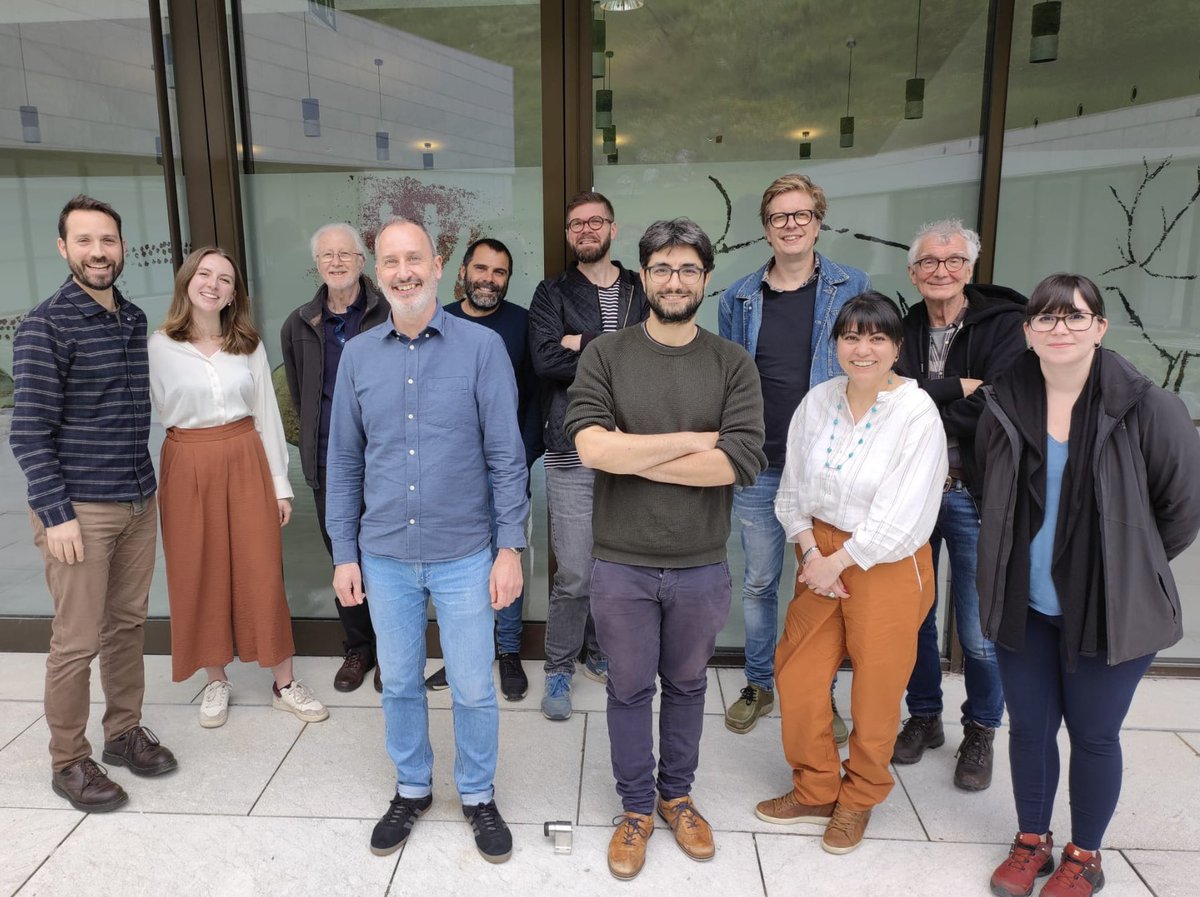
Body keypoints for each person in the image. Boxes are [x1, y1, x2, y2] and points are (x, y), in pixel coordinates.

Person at [977, 274, 1200, 897]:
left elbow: (1181, 509)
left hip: (1108, 610)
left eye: (1075, 318)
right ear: (1028, 332)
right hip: (1026, 604)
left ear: (1100, 328)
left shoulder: (1147, 406)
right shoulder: (1005, 399)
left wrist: (1129, 565)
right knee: (1028, 727)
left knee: (1095, 734)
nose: (1060, 329)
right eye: (1046, 319)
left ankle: (1085, 854)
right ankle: (1032, 840)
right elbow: (993, 491)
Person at [566, 218, 767, 880]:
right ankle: (635, 810)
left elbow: (736, 463)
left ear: (705, 279)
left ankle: (676, 795)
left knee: (685, 685)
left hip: (701, 564)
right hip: (620, 560)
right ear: (642, 276)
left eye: (687, 269)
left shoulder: (731, 362)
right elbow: (591, 446)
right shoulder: (606, 354)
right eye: (662, 268)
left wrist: (635, 451)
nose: (674, 280)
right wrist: (693, 440)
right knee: (628, 688)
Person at [327, 217, 528, 864]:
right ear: (374, 270)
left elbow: (506, 454)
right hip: (383, 555)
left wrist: (509, 547)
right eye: (391, 261)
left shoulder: (480, 348)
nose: (404, 271)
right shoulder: (357, 354)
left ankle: (476, 792)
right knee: (403, 682)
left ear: (438, 265)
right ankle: (412, 785)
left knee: (472, 684)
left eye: (414, 258)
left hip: (465, 551)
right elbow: (344, 462)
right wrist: (343, 553)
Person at [755, 292, 947, 855]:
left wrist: (840, 561)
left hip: (887, 562)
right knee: (796, 673)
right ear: (836, 342)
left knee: (876, 690)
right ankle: (815, 787)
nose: (862, 349)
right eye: (851, 337)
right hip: (818, 550)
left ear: (896, 347)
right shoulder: (818, 401)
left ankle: (859, 797)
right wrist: (812, 552)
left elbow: (905, 509)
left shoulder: (916, 413)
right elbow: (792, 486)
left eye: (877, 338)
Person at [11, 194, 177, 812]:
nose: (98, 252)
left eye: (107, 240)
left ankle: (123, 733)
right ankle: (68, 760)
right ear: (64, 249)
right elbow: (28, 430)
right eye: (84, 241)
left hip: (138, 498)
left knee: (126, 625)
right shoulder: (46, 324)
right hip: (80, 508)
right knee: (76, 640)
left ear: (123, 246)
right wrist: (56, 513)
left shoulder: (132, 318)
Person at [149, 247, 329, 729]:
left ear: (234, 292)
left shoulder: (247, 344)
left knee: (261, 569)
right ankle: (215, 679)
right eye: (204, 274)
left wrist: (278, 485)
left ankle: (284, 682)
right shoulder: (159, 345)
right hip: (186, 461)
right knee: (198, 569)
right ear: (187, 281)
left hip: (244, 454)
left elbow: (267, 416)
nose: (213, 284)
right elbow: (158, 408)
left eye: (225, 279)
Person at [719, 173, 870, 737]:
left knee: (820, 583)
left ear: (818, 221)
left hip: (825, 464)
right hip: (760, 461)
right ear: (766, 228)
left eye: (801, 215)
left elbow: (866, 362)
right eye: (780, 216)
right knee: (760, 581)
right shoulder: (738, 296)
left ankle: (816, 690)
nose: (790, 225)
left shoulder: (852, 284)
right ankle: (759, 682)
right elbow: (730, 377)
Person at [892, 218, 1026, 791]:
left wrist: (923, 398)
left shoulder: (1005, 326)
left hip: (974, 493)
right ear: (913, 272)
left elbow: (1003, 405)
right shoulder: (905, 325)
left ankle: (980, 728)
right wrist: (956, 388)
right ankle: (924, 717)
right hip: (912, 494)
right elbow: (887, 400)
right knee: (916, 616)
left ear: (970, 269)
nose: (939, 272)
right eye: (927, 263)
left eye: (951, 262)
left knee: (977, 629)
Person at [528, 190, 648, 720]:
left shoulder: (641, 288)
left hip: (630, 448)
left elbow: (655, 353)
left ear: (613, 228)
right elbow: (546, 360)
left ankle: (599, 651)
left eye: (595, 221)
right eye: (576, 223)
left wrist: (585, 342)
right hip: (570, 445)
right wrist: (613, 345)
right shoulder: (551, 291)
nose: (585, 230)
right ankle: (558, 667)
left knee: (616, 563)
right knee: (575, 570)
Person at [424, 237, 542, 701]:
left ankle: (508, 652)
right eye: (481, 269)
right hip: (448, 473)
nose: (489, 279)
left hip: (502, 469)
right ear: (463, 272)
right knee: (456, 567)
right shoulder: (441, 320)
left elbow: (535, 397)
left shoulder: (521, 324)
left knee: (504, 559)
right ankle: (461, 659)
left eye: (499, 272)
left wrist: (522, 454)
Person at [281, 223, 390, 694]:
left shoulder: (389, 314)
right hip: (330, 461)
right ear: (318, 264)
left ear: (363, 263)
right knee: (343, 556)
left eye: (346, 254)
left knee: (386, 559)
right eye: (328, 255)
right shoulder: (299, 323)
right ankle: (359, 647)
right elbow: (302, 393)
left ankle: (392, 650)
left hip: (386, 460)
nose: (337, 262)